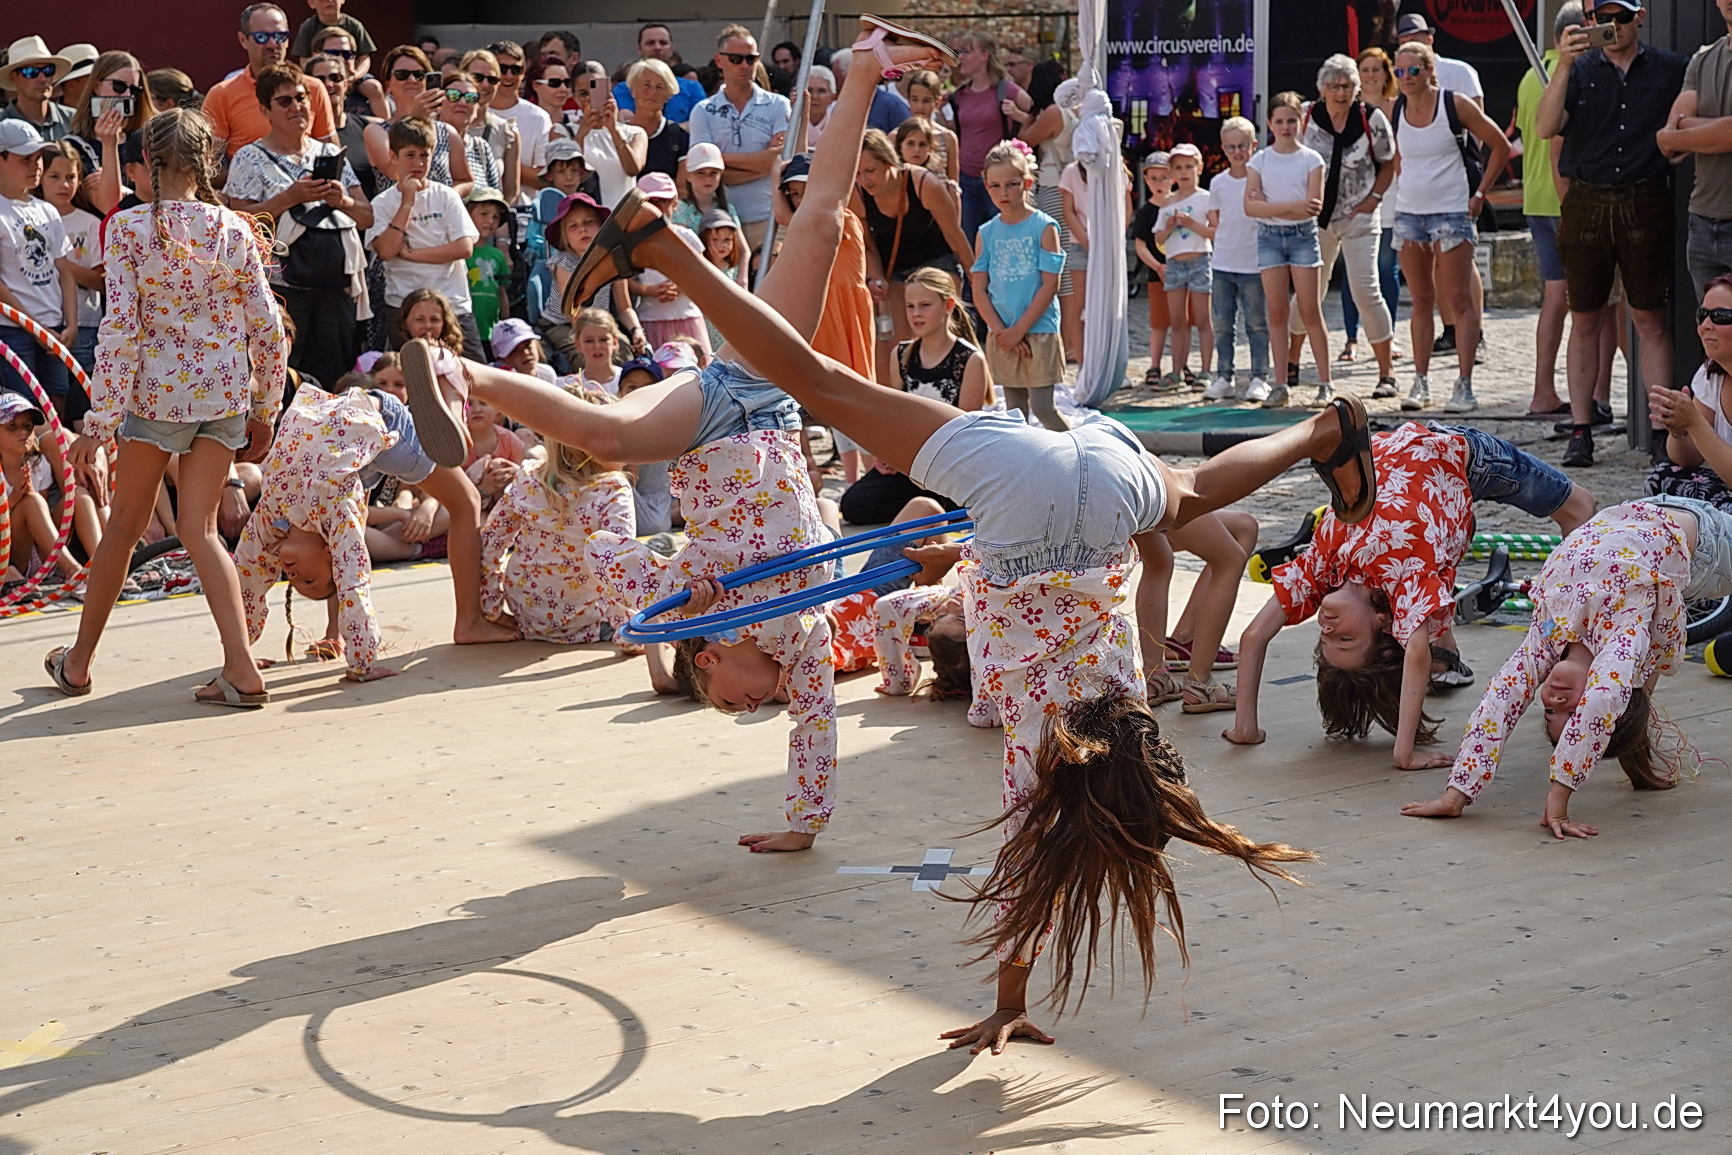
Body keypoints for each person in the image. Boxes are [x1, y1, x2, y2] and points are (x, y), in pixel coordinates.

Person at [555, 109, 1393, 1049]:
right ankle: (663, 246)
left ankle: (1322, 429)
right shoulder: (1044, 753)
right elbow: (1028, 885)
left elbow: (1061, 861)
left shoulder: (1127, 698)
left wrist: (1015, 996)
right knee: (816, 382)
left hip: (1095, 475)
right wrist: (1005, 1000)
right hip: (1022, 506)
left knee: (1191, 492)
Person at [438, 17, 956, 854]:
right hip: (771, 404)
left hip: (716, 419)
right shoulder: (804, 635)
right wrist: (803, 824)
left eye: (728, 702)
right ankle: (865, 63)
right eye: (749, 712)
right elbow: (816, 727)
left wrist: (679, 605)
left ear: (710, 661)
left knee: (607, 439)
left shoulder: (689, 595)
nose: (750, 708)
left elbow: (611, 555)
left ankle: (465, 372)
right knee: (822, 222)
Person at [44, 108, 284, 706]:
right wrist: (266, 407)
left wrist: (98, 423)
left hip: (157, 399)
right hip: (223, 396)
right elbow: (268, 327)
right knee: (202, 532)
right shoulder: (234, 228)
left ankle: (78, 663)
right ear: (207, 162)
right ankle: (240, 667)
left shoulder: (129, 229)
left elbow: (120, 331)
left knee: (123, 530)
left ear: (147, 162)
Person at [1226, 421, 1594, 768]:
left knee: (1434, 580)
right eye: (1346, 638)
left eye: (1326, 638)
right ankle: (1580, 655)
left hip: (1409, 453)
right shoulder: (1407, 585)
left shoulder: (1321, 569)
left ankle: (1447, 656)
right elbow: (1415, 653)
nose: (1328, 627)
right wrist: (1404, 753)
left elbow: (1254, 636)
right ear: (1382, 623)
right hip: (1463, 460)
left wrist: (1246, 728)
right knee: (1581, 508)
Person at [1401, 498, 1730, 838]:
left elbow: (1500, 700)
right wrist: (1560, 796)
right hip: (1708, 544)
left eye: (1548, 712)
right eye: (1573, 716)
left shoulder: (1549, 636)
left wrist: (1456, 794)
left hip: (1644, 512)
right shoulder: (1620, 640)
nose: (1556, 702)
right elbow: (1603, 702)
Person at [1538, 0, 1686, 467]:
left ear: (1639, 17)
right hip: (1588, 199)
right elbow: (1545, 128)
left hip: (1644, 197)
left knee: (1650, 319)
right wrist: (1563, 64)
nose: (1613, 27)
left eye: (1621, 17)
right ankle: (1581, 430)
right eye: (1604, 19)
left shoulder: (1670, 68)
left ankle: (1660, 432)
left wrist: (1679, 143)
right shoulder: (1577, 70)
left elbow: (1684, 121)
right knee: (1584, 318)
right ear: (1591, 22)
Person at [224, 62, 372, 392]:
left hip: (335, 288)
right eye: (284, 101)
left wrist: (342, 201)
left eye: (301, 98)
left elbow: (367, 217)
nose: (296, 107)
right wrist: (289, 198)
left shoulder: (331, 152)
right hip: (283, 288)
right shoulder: (249, 157)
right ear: (265, 110)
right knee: (283, 376)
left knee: (334, 379)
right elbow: (239, 222)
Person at [1390, 42, 1511, 415]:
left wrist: (1480, 194)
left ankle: (1465, 383)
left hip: (1453, 211)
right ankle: (1420, 380)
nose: (1406, 78)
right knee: (1420, 299)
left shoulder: (1454, 104)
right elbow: (1399, 156)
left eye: (1413, 70)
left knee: (1459, 298)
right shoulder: (1396, 108)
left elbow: (1500, 145)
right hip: (1410, 213)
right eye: (1399, 71)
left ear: (1429, 70)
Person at [479, 383, 634, 643]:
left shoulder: (528, 479)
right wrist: (626, 631)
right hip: (590, 621)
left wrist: (492, 608)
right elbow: (619, 564)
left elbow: (490, 542)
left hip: (528, 614)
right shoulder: (612, 490)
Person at [1289, 55, 1397, 402]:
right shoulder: (1305, 116)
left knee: (1366, 290)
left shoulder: (1371, 118)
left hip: (1358, 217)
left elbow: (1389, 161)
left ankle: (1386, 373)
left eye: (1347, 86)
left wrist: (1374, 198)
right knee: (1309, 292)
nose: (1341, 93)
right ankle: (1291, 361)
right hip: (1314, 220)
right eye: (1334, 86)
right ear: (1322, 89)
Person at [1513, 4, 1583, 418]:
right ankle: (1576, 393)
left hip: (1535, 195)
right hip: (1563, 197)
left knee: (1557, 297)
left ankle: (1546, 390)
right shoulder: (1570, 73)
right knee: (1579, 302)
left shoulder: (1530, 75)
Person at [365, 118, 482, 358]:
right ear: (393, 156)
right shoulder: (382, 203)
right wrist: (407, 203)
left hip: (452, 304)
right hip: (404, 305)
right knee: (411, 373)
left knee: (471, 372)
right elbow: (386, 251)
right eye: (410, 155)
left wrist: (411, 255)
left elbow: (463, 247)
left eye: (424, 155)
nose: (418, 163)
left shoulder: (446, 196)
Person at [971, 140, 1066, 431]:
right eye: (995, 186)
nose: (1003, 193)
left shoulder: (1044, 227)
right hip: (1001, 333)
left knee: (1043, 407)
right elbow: (979, 289)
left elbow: (1050, 285)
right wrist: (1002, 332)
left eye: (1011, 184)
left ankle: (1080, 451)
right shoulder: (986, 233)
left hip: (1038, 329)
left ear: (1026, 183)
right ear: (986, 186)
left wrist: (1019, 331)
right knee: (1015, 412)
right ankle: (1026, 458)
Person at [856, 127, 976, 355]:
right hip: (895, 270)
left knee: (940, 336)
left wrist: (976, 281)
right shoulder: (859, 194)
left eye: (870, 170)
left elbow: (954, 235)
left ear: (889, 162)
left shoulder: (924, 183)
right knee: (895, 346)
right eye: (858, 173)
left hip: (936, 262)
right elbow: (868, 245)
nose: (864, 180)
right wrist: (877, 278)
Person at [1245, 92, 1330, 406]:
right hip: (1269, 238)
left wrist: (1272, 207)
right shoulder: (1260, 160)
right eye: (1279, 121)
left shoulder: (1311, 160)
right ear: (1269, 123)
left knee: (1310, 310)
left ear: (1300, 121)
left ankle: (1325, 382)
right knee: (1277, 311)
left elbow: (1314, 207)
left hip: (1302, 237)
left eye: (1291, 121)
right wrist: (1293, 205)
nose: (1285, 127)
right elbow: (1251, 208)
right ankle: (1280, 383)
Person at [687, 25, 792, 260]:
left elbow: (780, 160)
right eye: (736, 59)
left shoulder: (778, 105)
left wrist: (721, 161)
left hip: (771, 219)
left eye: (751, 58)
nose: (745, 65)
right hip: (722, 224)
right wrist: (764, 165)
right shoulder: (703, 111)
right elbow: (702, 173)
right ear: (719, 61)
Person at [0, 121, 77, 412]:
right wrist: (34, 327)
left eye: (38, 158)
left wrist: (71, 324)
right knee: (23, 410)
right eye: (25, 159)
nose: (36, 166)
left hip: (54, 326)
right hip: (12, 329)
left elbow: (64, 271)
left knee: (57, 402)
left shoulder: (47, 210)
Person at [1660, 0, 1732, 299]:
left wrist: (1691, 131)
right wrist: (1719, 129)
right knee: (1711, 325)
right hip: (1703, 222)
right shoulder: (1703, 59)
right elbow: (1668, 141)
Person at [206, 4, 338, 158]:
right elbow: (209, 161)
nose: (272, 44)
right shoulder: (222, 95)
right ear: (243, 40)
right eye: (261, 37)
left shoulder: (312, 88)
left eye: (279, 36)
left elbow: (331, 156)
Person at [1646, 275, 1732, 508]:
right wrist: (1679, 431)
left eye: (1721, 317)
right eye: (1702, 315)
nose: (1706, 326)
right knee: (1661, 478)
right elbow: (1687, 458)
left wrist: (1695, 423)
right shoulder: (1710, 375)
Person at [1014, 63, 1079, 360]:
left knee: (1059, 266)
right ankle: (1072, 339)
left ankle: (1068, 341)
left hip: (1053, 188)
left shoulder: (1053, 113)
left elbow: (1022, 144)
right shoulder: (1074, 112)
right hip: (1070, 188)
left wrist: (1027, 116)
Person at [1347, 48, 1404, 369]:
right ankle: (1351, 337)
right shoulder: (1347, 108)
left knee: (1385, 266)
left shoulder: (1398, 107)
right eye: (1364, 70)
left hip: (1392, 192)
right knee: (1353, 268)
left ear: (1386, 74)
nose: (1370, 76)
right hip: (1354, 196)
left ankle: (1388, 335)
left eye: (1375, 69)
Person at [1206, 117, 1270, 403]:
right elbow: (1216, 218)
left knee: (1256, 324)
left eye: (1243, 146)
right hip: (1223, 262)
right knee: (1222, 325)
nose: (1237, 152)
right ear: (1223, 149)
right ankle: (1224, 377)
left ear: (1253, 145)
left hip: (1254, 263)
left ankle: (1259, 377)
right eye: (1231, 147)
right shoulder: (1218, 183)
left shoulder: (1262, 179)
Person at [947, 29, 1031, 241]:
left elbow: (1037, 117)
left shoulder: (1006, 90)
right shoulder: (959, 95)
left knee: (1001, 239)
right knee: (968, 241)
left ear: (984, 55)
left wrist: (1018, 115)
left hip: (999, 181)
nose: (961, 57)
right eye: (960, 52)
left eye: (966, 52)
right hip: (966, 180)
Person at [35, 142, 103, 389]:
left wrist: (61, 263)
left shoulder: (90, 223)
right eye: (55, 176)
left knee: (81, 394)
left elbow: (101, 281)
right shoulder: (31, 220)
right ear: (40, 177)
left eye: (71, 177)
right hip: (43, 322)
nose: (64, 185)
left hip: (85, 325)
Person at [363, 46, 474, 194]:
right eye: (402, 75)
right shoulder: (376, 131)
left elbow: (465, 180)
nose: (412, 80)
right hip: (399, 208)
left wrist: (446, 198)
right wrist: (415, 119)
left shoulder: (447, 132)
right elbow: (396, 173)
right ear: (388, 85)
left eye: (419, 75)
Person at [1154, 143, 1215, 393]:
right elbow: (1158, 238)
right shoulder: (1167, 202)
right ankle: (1176, 370)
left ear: (1199, 168)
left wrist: (1192, 224)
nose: (1184, 172)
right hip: (1174, 264)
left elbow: (1214, 232)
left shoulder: (1206, 198)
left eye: (1189, 166)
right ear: (1171, 172)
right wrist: (1169, 226)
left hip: (1200, 260)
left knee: (1203, 319)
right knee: (1178, 320)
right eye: (1178, 168)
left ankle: (1206, 371)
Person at [63, 51, 155, 214]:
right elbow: (109, 207)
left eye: (134, 90)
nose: (127, 95)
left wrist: (124, 190)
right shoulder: (75, 145)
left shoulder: (145, 138)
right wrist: (109, 145)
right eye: (119, 86)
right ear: (96, 86)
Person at [304, 52, 380, 200]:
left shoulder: (367, 128)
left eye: (335, 78)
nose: (329, 84)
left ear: (345, 84)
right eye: (320, 80)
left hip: (365, 210)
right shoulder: (304, 135)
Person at [571, 65, 646, 206]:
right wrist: (581, 134)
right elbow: (569, 173)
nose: (589, 99)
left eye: (596, 92)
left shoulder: (635, 133)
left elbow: (633, 169)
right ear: (574, 96)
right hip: (584, 215)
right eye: (583, 93)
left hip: (623, 215)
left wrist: (614, 130)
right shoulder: (562, 131)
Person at [1130, 152, 1174, 388]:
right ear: (1146, 180)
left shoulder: (1180, 206)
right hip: (1158, 275)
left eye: (1164, 178)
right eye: (1154, 178)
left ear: (1172, 178)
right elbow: (1141, 246)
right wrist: (1157, 266)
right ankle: (1154, 365)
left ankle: (1180, 366)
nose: (1159, 183)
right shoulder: (1146, 213)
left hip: (1184, 273)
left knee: (1183, 322)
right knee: (1158, 323)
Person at [484, 41, 548, 200]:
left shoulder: (538, 117)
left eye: (516, 70)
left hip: (522, 210)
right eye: (502, 69)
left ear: (524, 72)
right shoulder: (473, 112)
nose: (509, 76)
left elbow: (545, 178)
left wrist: (504, 163)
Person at [611, 24, 709, 126]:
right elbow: (627, 124)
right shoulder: (623, 89)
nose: (657, 47)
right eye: (650, 43)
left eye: (663, 43)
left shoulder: (692, 88)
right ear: (639, 49)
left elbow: (702, 122)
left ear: (671, 48)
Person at [439, 76, 504, 199]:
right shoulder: (427, 145)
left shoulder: (481, 148)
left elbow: (496, 197)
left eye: (471, 98)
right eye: (453, 95)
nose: (463, 103)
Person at [0, 36, 75, 142]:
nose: (43, 79)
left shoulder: (75, 120)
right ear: (13, 78)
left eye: (48, 70)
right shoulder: (1, 125)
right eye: (31, 72)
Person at [464, 186, 513, 342]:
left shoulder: (497, 255)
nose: (490, 221)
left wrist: (506, 324)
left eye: (496, 217)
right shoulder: (459, 252)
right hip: (464, 330)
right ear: (466, 214)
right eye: (484, 214)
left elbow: (501, 291)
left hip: (492, 332)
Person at [625, 59, 688, 180]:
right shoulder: (617, 134)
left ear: (668, 94)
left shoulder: (678, 137)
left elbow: (682, 186)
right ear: (633, 90)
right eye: (646, 85)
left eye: (659, 87)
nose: (652, 92)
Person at [828, 47, 910, 136]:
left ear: (852, 76)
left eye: (837, 79)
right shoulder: (839, 107)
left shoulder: (892, 106)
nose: (835, 85)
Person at [904, 70, 960, 183]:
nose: (920, 106)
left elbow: (953, 183)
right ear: (908, 100)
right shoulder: (897, 136)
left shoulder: (947, 138)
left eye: (926, 101)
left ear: (937, 102)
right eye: (914, 99)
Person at [490, 316, 557, 384]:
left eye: (527, 345)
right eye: (515, 351)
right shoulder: (499, 382)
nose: (525, 353)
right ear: (502, 359)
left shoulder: (547, 373)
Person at [801, 66, 837, 147]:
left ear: (832, 97)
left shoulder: (839, 126)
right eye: (809, 91)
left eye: (821, 91)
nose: (815, 96)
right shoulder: (787, 123)